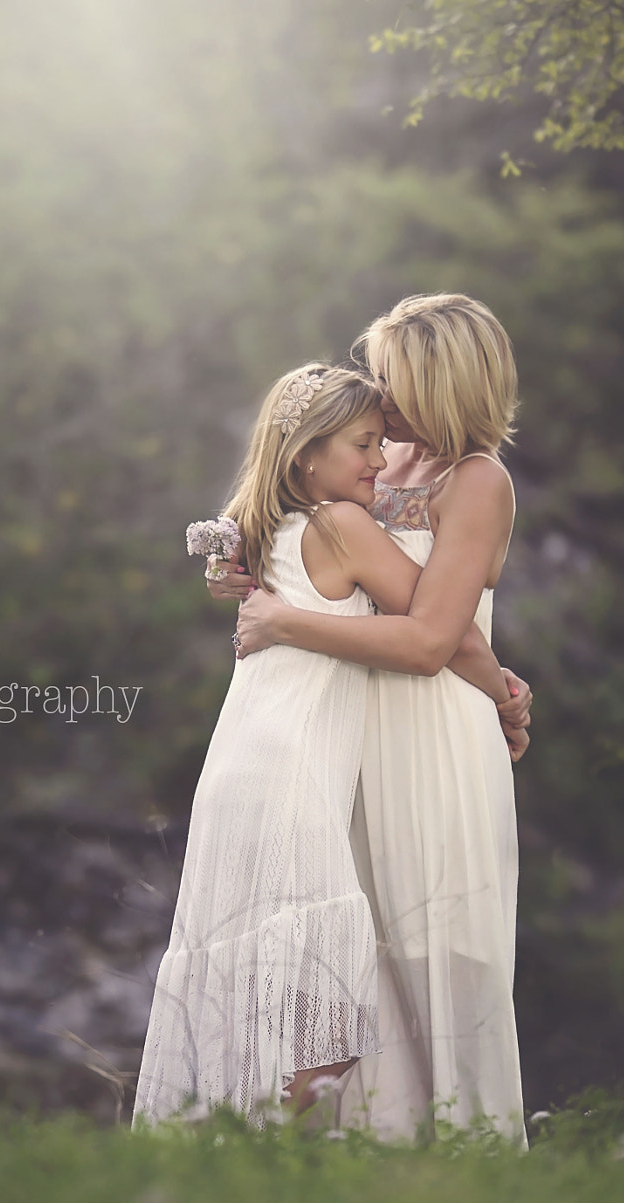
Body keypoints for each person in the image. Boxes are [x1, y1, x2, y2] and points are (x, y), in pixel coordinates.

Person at [132, 363, 518, 1131]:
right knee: (336, 987)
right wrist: (507, 696)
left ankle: (238, 1134)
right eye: (362, 443)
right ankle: (278, 1141)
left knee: (270, 970)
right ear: (308, 454)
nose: (377, 456)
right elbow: (443, 633)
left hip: (250, 756)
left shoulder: (269, 521)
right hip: (299, 767)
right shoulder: (346, 521)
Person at [224, 293, 530, 1147]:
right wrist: (247, 576)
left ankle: (460, 1158)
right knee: (340, 961)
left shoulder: (478, 481)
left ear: (438, 381)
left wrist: (284, 622)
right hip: (348, 732)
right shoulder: (366, 466)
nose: (374, 392)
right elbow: (291, 552)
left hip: (434, 739)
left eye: (389, 375)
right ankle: (343, 1153)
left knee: (435, 950)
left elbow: (435, 638)